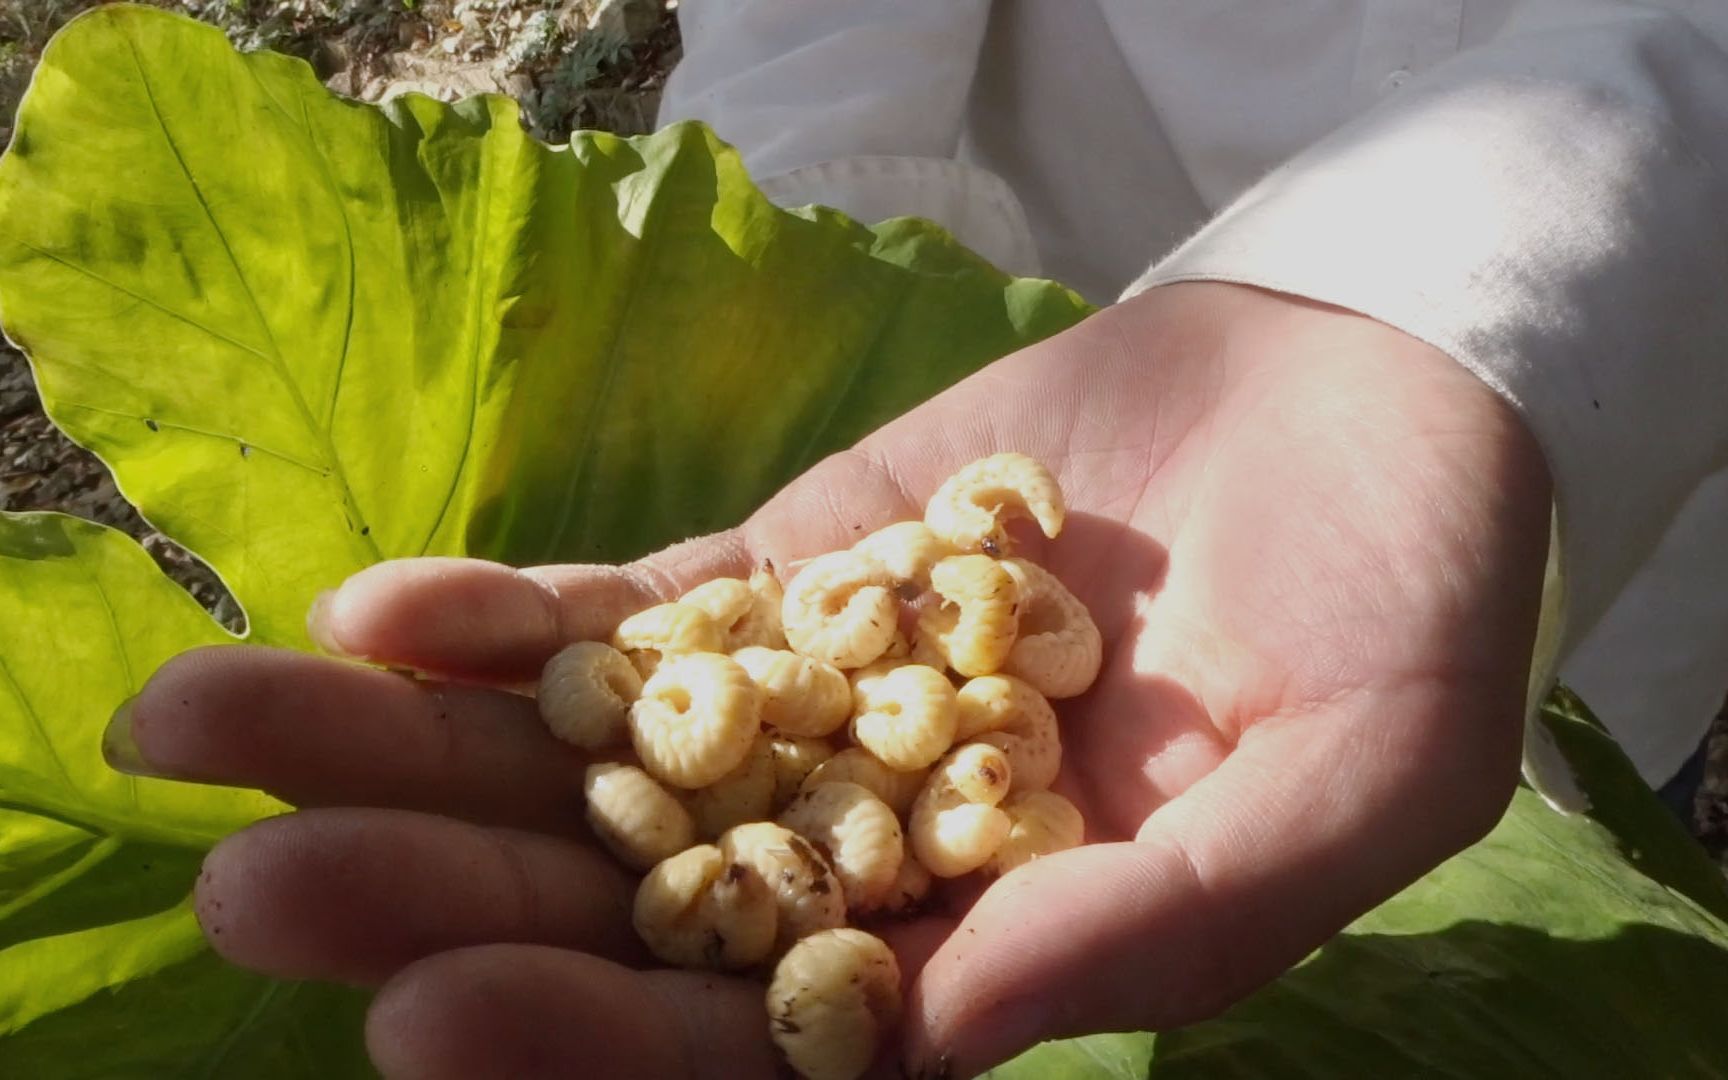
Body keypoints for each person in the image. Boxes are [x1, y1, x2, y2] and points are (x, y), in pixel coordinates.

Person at [102, 2, 1728, 1076]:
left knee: (1603, 738)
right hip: (1064, 288)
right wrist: (815, 259)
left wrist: (1480, 299)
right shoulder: (876, 681)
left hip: (1654, 412)